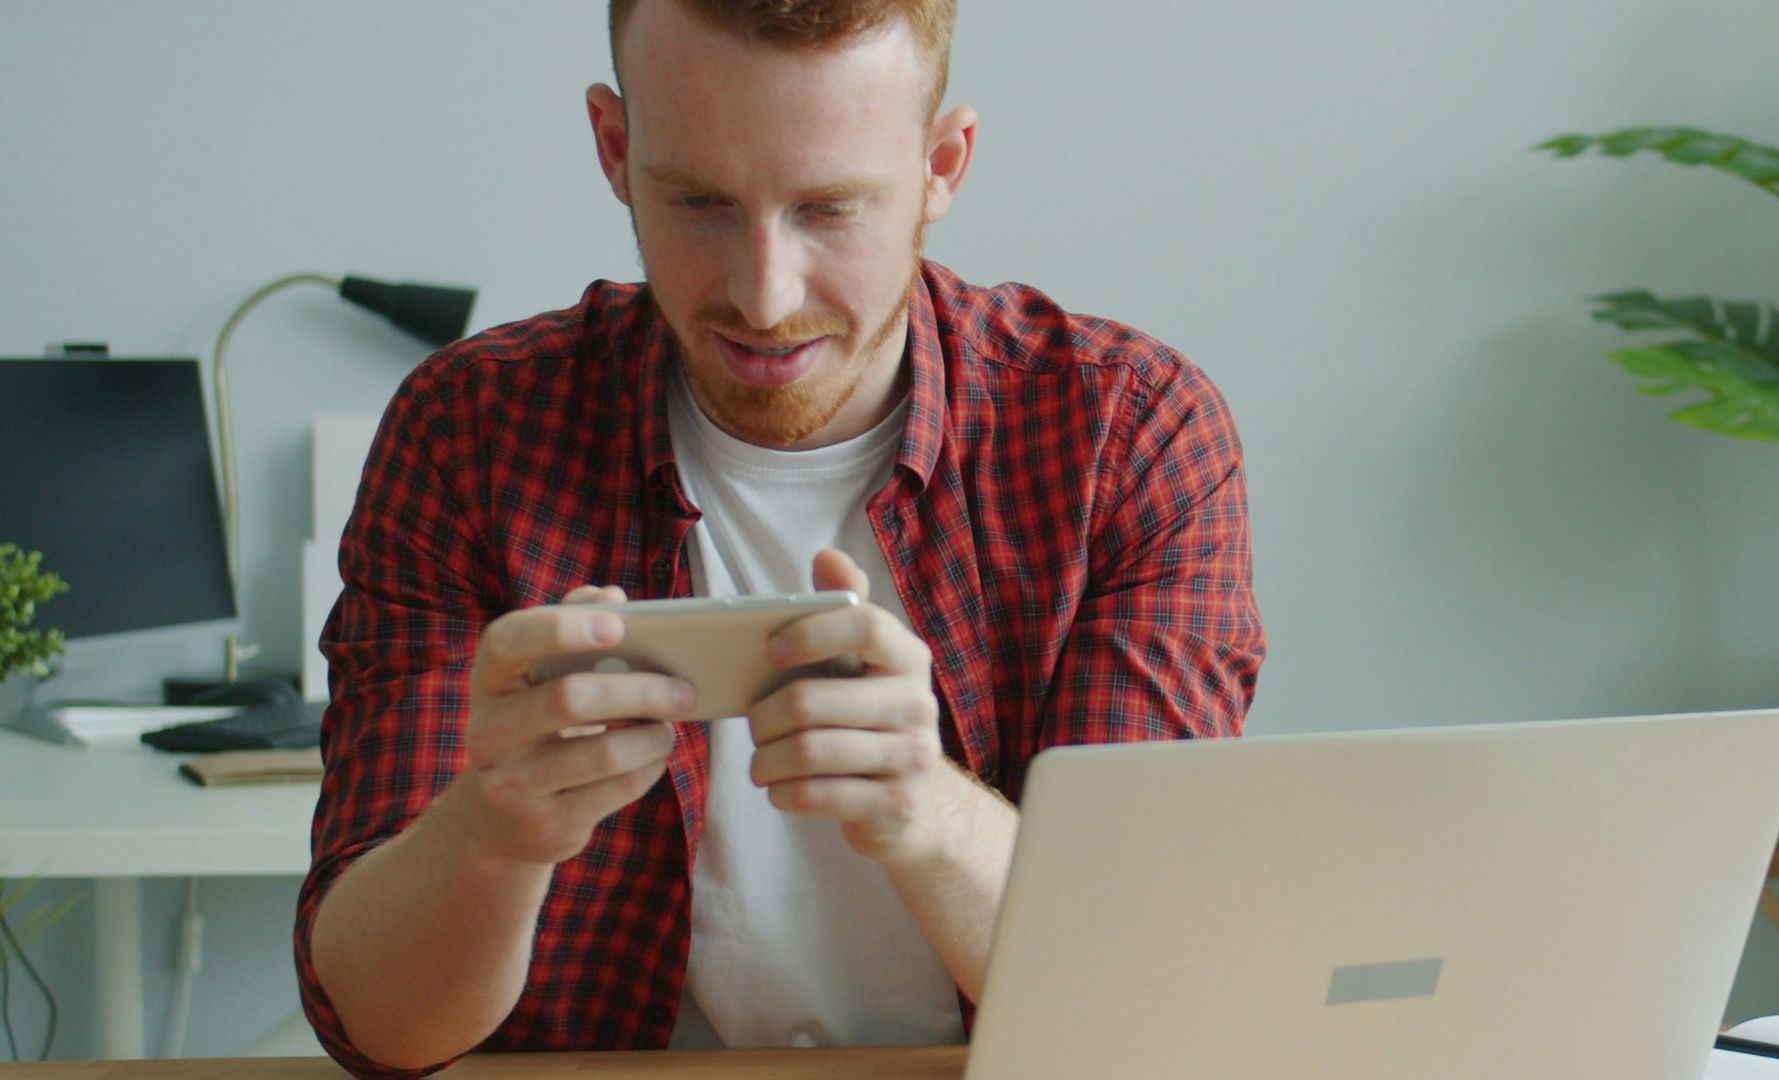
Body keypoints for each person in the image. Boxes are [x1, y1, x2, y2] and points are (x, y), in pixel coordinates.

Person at [294, 1, 1265, 1075]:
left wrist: (925, 807)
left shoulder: (1127, 437)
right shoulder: (471, 434)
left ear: (943, 165)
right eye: (700, 203)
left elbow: (1142, 1010)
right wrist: (496, 831)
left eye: (830, 209)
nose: (765, 297)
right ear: (616, 150)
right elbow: (382, 1032)